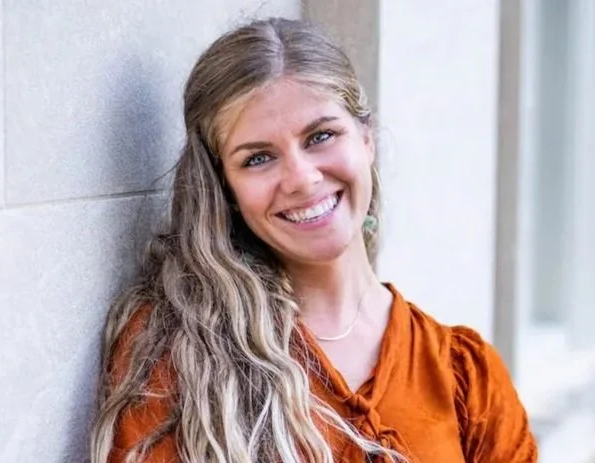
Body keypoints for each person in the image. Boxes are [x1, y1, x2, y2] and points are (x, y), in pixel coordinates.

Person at [90, 17, 538, 463]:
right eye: (258, 158)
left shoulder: (466, 378)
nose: (302, 179)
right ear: (226, 187)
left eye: (321, 136)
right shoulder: (181, 354)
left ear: (366, 139)